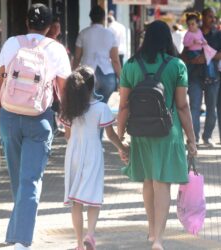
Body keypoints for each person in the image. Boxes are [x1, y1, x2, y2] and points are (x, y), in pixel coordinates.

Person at [0, 4, 71, 249]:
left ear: (27, 23)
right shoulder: (56, 49)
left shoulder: (11, 45)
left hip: (9, 119)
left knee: (19, 179)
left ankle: (16, 233)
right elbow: (63, 92)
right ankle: (22, 241)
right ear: (50, 27)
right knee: (30, 181)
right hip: (40, 119)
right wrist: (69, 125)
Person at [117, 20, 197, 250]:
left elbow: (123, 106)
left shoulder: (131, 65)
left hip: (140, 132)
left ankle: (152, 231)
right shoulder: (177, 65)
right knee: (163, 183)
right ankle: (159, 239)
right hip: (168, 132)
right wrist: (191, 139)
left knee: (148, 181)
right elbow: (182, 106)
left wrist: (121, 139)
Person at [61, 66, 128, 250]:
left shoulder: (70, 108)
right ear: (92, 87)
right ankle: (90, 234)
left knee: (76, 199)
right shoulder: (101, 108)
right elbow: (111, 135)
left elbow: (67, 136)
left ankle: (78, 243)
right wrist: (123, 149)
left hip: (73, 153)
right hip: (93, 153)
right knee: (93, 195)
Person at [182, 8, 221, 147]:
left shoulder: (218, 35)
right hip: (195, 76)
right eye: (209, 16)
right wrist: (193, 59)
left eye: (214, 17)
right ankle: (194, 138)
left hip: (213, 78)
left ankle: (207, 137)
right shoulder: (193, 30)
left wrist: (207, 56)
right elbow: (184, 53)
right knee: (194, 107)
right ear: (203, 18)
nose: (212, 19)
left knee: (211, 108)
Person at [73, 5, 121, 104]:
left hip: (87, 75)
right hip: (107, 76)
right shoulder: (110, 34)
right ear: (104, 18)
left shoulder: (83, 33)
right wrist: (121, 79)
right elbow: (115, 60)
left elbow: (77, 58)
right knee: (103, 105)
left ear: (91, 18)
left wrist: (72, 74)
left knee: (87, 106)